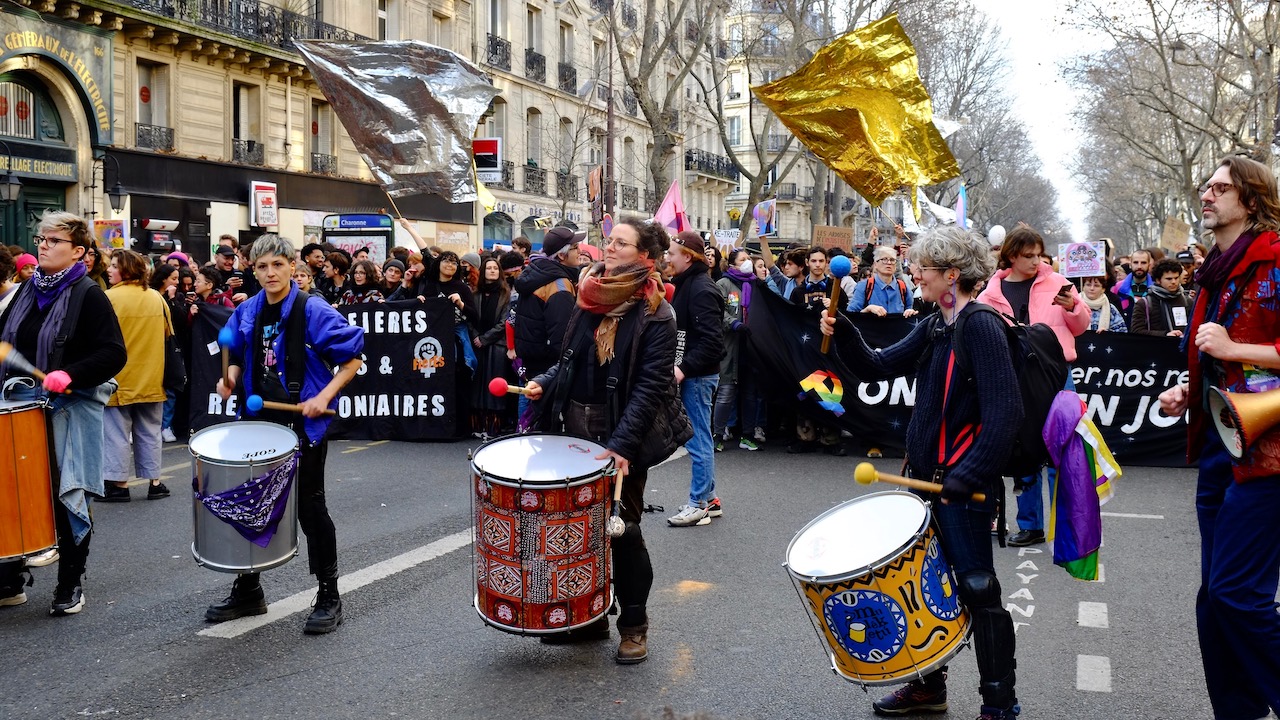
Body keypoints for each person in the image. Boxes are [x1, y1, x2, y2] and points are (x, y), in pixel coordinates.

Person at [820, 226, 1022, 720]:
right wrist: (843, 327)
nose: (915, 275)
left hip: (960, 485)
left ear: (953, 274)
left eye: (923, 269)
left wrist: (968, 474)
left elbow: (1005, 413)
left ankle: (1000, 703)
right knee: (921, 586)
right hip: (924, 478)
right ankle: (929, 688)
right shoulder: (937, 323)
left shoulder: (980, 325)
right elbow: (876, 366)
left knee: (977, 588)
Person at [1159, 155, 1280, 720]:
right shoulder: (1215, 269)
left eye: (1221, 188)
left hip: (1269, 453)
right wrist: (1192, 387)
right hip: (1220, 442)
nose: (1207, 196)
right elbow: (1216, 354)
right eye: (1206, 187)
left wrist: (1234, 351)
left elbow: (1236, 347)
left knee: (1237, 596)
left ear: (1250, 201)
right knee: (1215, 602)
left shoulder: (1276, 259)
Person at [524, 219, 675, 665]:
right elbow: (572, 360)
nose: (608, 247)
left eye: (620, 243)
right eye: (609, 240)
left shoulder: (657, 312)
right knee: (579, 533)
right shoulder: (588, 294)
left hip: (622, 432)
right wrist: (544, 382)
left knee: (621, 530)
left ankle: (634, 627)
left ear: (645, 257)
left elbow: (650, 387)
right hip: (574, 424)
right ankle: (589, 619)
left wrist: (622, 448)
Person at [206, 234, 364, 634]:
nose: (270, 273)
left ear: (292, 266)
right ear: (253, 270)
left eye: (278, 264)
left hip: (302, 423)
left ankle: (329, 594)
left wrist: (323, 396)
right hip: (259, 423)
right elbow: (240, 355)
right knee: (253, 505)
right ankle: (249, 590)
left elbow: (351, 360)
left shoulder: (313, 309)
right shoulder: (249, 310)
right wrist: (230, 379)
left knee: (310, 509)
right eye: (262, 267)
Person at [0, 211, 127, 615]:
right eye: (41, 239)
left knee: (65, 494)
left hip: (69, 408)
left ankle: (70, 584)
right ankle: (10, 580)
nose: (44, 245)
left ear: (78, 252)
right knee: (15, 495)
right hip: (19, 407)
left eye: (54, 241)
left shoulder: (88, 294)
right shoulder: (25, 291)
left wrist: (68, 373)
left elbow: (113, 353)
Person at [978, 225, 1089, 547]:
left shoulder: (1057, 281)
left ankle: (1065, 525)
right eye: (1028, 255)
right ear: (1011, 255)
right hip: (1015, 375)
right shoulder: (990, 292)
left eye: (1039, 254)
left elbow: (1081, 328)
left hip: (1057, 373)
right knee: (1023, 448)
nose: (1036, 261)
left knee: (1062, 450)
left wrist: (1073, 307)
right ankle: (1030, 525)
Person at [100, 250, 172, 502]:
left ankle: (119, 484)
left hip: (119, 378)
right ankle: (155, 482)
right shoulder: (156, 297)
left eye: (114, 266)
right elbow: (167, 334)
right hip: (152, 377)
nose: (109, 269)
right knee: (150, 431)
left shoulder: (107, 298)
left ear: (127, 270)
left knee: (117, 434)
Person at [665, 231, 725, 527]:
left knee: (697, 438)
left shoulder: (701, 289)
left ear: (687, 256)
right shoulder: (687, 284)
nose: (667, 258)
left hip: (698, 377)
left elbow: (714, 342)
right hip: (693, 374)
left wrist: (683, 368)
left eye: (672, 254)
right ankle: (710, 499)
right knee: (699, 436)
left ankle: (698, 503)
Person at [790, 246, 847, 455]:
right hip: (806, 348)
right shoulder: (798, 291)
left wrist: (834, 306)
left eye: (821, 261)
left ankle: (830, 439)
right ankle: (805, 436)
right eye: (813, 261)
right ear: (807, 263)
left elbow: (847, 318)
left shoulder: (835, 287)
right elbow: (792, 319)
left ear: (826, 263)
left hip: (830, 348)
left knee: (832, 390)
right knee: (806, 390)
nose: (817, 265)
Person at [416, 250, 479, 438]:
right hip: (433, 341)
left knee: (459, 384)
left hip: (457, 339)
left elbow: (475, 317)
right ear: (439, 264)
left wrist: (460, 304)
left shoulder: (462, 287)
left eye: (454, 263)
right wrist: (418, 302)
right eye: (446, 261)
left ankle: (461, 428)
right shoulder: (429, 286)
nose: (450, 265)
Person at [513, 227, 581, 384]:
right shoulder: (559, 284)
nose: (580, 252)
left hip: (533, 359)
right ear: (562, 255)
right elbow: (561, 335)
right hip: (549, 365)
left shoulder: (536, 273)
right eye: (575, 248)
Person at [714, 248, 765, 451]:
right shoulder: (723, 285)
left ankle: (747, 435)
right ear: (733, 264)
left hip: (751, 347)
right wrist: (734, 324)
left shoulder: (755, 284)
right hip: (730, 347)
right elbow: (718, 311)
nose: (748, 262)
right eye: (743, 259)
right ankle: (717, 435)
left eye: (748, 259)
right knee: (726, 393)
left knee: (750, 393)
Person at [470, 256, 514, 436]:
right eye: (489, 268)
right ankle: (476, 427)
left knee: (493, 386)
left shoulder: (506, 294)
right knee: (477, 386)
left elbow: (505, 322)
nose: (493, 271)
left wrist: (485, 338)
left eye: (495, 268)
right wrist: (476, 337)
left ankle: (493, 427)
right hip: (477, 345)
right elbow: (470, 318)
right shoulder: (475, 295)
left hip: (497, 346)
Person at [151, 264, 193, 443]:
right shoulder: (150, 294)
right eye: (173, 278)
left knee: (171, 387)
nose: (177, 282)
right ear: (163, 278)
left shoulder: (178, 296)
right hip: (152, 346)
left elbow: (181, 320)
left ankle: (166, 425)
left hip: (172, 347)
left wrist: (173, 299)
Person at [848, 245, 919, 318]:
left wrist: (910, 312)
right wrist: (867, 310)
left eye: (892, 260)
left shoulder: (903, 288)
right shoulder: (864, 286)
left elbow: (910, 311)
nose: (889, 263)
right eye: (884, 259)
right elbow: (851, 316)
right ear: (875, 264)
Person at [1130, 258, 1191, 338]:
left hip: (1181, 347)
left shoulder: (1187, 301)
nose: (1173, 282)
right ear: (1158, 280)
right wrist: (1165, 335)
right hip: (1155, 348)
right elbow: (1136, 331)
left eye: (1176, 278)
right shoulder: (1145, 303)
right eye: (1169, 279)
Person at [1112, 247, 1152, 322]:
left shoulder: (1155, 288)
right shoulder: (1118, 287)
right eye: (1135, 262)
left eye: (1143, 263)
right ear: (1130, 265)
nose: (1139, 266)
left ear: (1149, 265)